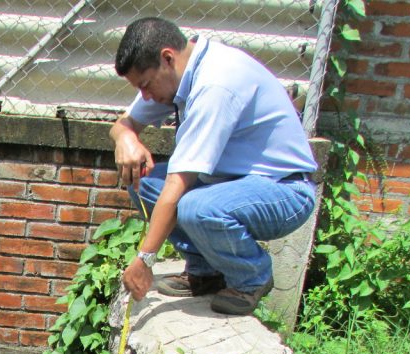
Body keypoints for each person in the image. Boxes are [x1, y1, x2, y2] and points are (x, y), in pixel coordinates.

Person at [110, 17, 318, 315]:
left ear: (167, 58)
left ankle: (251, 278)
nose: (145, 97)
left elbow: (178, 184)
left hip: (284, 190)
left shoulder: (216, 83)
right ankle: (206, 271)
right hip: (228, 186)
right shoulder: (179, 73)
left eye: (145, 85)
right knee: (143, 181)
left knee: (195, 206)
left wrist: (145, 260)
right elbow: (123, 123)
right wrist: (126, 137)